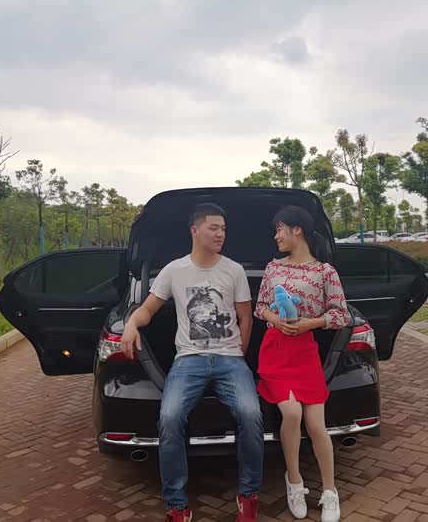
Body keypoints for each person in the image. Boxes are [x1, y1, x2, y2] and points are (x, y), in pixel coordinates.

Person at [120, 203, 263, 522]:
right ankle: (177, 507)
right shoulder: (174, 270)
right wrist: (131, 325)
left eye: (223, 228)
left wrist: (238, 353)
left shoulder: (234, 270)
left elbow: (245, 317)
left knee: (251, 414)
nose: (220, 234)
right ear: (195, 231)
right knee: (169, 418)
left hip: (230, 359)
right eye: (214, 228)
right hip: (188, 360)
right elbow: (147, 309)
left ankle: (248, 496)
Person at [254, 205, 349, 522]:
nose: (276, 236)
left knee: (317, 424)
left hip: (305, 352)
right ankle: (294, 482)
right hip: (276, 350)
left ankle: (330, 491)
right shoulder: (273, 268)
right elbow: (260, 308)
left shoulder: (325, 272)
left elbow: (341, 315)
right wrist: (276, 319)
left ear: (298, 230)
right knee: (292, 413)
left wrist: (311, 323)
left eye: (279, 229)